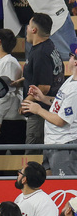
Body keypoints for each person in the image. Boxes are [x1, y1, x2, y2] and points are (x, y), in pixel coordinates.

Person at [22, 46, 77, 176]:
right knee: (49, 184)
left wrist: (38, 110)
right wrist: (43, 98)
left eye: (71, 55)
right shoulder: (71, 80)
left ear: (75, 62)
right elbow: (59, 104)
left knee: (66, 189)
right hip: (54, 142)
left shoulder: (75, 89)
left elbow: (60, 121)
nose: (68, 58)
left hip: (64, 146)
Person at [22, 14, 66, 145]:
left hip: (39, 113)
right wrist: (22, 81)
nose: (27, 29)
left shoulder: (40, 53)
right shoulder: (49, 45)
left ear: (34, 30)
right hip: (49, 108)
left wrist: (25, 103)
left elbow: (44, 87)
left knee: (34, 154)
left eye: (29, 26)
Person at [0, 28, 27, 149]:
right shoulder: (1, 62)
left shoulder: (8, 62)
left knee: (9, 161)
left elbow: (8, 92)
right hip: (3, 119)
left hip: (9, 122)